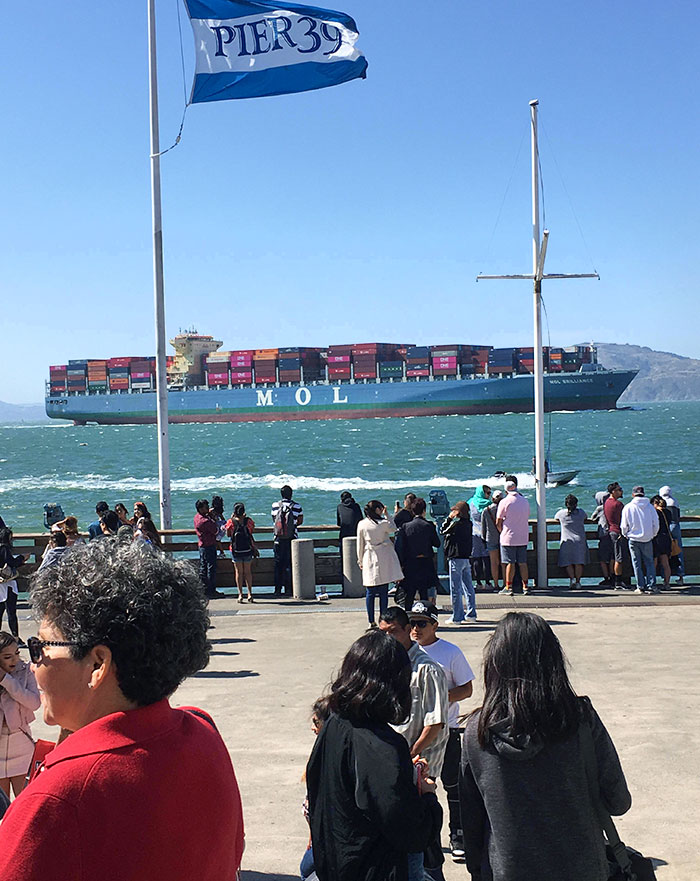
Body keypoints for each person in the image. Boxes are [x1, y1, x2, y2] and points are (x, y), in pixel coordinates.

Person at [0, 538, 244, 880]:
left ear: (97, 664)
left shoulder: (57, 799)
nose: (34, 664)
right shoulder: (204, 734)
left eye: (40, 646)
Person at [460, 612, 631, 881]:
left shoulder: (476, 732)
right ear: (553, 661)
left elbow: (471, 820)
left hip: (509, 871)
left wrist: (478, 870)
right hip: (583, 869)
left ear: (494, 665)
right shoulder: (580, 719)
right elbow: (618, 801)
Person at [305, 629, 442, 881]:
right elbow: (410, 831)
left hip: (333, 864)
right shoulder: (383, 745)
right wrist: (428, 797)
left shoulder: (335, 724)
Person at [380, 604, 449, 881]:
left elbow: (435, 723)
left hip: (419, 763)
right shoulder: (387, 664)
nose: (387, 638)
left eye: (393, 632)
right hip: (392, 760)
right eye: (382, 632)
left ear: (408, 631)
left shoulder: (427, 669)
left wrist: (411, 753)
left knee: (423, 834)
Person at [409, 605, 475, 862]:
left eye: (422, 623)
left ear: (435, 625)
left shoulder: (450, 652)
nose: (416, 629)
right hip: (415, 732)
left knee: (453, 784)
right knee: (419, 786)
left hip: (447, 728)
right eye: (413, 623)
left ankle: (457, 834)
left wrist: (437, 699)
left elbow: (466, 689)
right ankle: (426, 838)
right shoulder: (405, 654)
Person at [0, 631, 41, 799]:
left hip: (22, 746)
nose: (15, 660)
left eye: (17, 653)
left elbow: (34, 702)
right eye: (7, 657)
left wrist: (6, 680)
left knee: (24, 803)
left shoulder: (25, 671)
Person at [356, 500, 403, 627]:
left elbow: (360, 543)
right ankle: (383, 618)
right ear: (377, 510)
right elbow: (393, 528)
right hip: (383, 556)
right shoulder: (383, 523)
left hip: (369, 556)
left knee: (370, 591)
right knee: (383, 591)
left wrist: (360, 559)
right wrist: (388, 514)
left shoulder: (362, 524)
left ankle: (371, 620)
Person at [397, 498, 441, 610]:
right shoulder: (429, 525)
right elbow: (437, 543)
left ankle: (407, 618)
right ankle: (424, 615)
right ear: (424, 510)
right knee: (424, 592)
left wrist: (401, 564)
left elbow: (400, 548)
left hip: (410, 563)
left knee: (410, 593)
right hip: (425, 562)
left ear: (412, 511)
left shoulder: (406, 526)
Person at [441, 501, 476, 624]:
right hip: (466, 557)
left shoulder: (456, 525)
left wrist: (449, 518)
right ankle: (471, 613)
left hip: (456, 558)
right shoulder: (469, 524)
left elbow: (442, 530)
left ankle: (457, 616)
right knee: (468, 587)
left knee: (455, 589)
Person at [496, 476, 531, 596]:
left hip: (508, 537)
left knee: (510, 562)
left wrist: (502, 531)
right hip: (523, 536)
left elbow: (498, 521)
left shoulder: (504, 502)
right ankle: (525, 586)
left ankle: (508, 586)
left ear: (506, 490)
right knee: (522, 562)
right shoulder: (524, 501)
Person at [621, 486, 659, 595]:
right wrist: (652, 534)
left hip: (633, 538)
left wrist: (626, 534)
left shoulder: (628, 507)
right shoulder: (650, 507)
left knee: (636, 563)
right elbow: (656, 523)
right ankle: (651, 585)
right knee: (649, 562)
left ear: (633, 494)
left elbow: (624, 525)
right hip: (647, 538)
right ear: (643, 494)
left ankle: (640, 586)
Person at [271, 485, 303, 597]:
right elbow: (300, 521)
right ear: (291, 494)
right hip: (292, 538)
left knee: (278, 564)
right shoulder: (297, 506)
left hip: (278, 539)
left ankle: (277, 590)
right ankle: (289, 589)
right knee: (290, 564)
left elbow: (274, 520)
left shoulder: (275, 506)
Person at [554, 494, 590, 589]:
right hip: (580, 540)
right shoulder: (581, 513)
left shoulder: (561, 514)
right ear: (576, 504)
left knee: (568, 562)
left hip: (567, 540)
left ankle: (572, 580)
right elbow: (586, 517)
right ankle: (578, 582)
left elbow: (555, 518)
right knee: (579, 562)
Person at [225, 502, 258, 604]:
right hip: (247, 549)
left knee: (239, 572)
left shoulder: (231, 522)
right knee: (248, 572)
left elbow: (228, 534)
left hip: (236, 550)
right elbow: (251, 530)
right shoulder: (248, 521)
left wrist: (232, 519)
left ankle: (240, 594)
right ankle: (250, 594)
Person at [0, 529, 25, 645]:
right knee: (11, 611)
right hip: (8, 583)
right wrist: (22, 558)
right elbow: (12, 562)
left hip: (0, 583)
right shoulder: (4, 548)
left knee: (0, 611)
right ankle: (15, 637)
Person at [194, 499, 223, 600]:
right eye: (206, 507)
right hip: (209, 545)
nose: (208, 509)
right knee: (211, 568)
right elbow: (216, 530)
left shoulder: (197, 517)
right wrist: (213, 518)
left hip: (202, 546)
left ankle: (204, 590)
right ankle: (211, 590)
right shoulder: (205, 521)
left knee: (204, 568)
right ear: (201, 508)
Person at [603, 483, 630, 590]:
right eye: (619, 489)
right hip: (618, 532)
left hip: (611, 531)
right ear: (613, 491)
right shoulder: (618, 504)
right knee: (619, 558)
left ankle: (613, 579)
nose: (621, 491)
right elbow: (623, 520)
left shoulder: (607, 503)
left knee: (613, 557)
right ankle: (618, 582)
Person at [467, 486, 492, 588]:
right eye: (488, 493)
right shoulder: (488, 504)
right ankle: (488, 582)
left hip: (474, 533)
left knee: (476, 558)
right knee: (486, 559)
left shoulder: (470, 502)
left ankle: (478, 583)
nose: (489, 495)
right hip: (486, 533)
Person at [659, 485, 684, 585]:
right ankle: (681, 575)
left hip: (666, 528)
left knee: (664, 552)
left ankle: (664, 576)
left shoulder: (661, 502)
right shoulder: (674, 501)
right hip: (676, 526)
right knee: (678, 550)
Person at [481, 490, 504, 591]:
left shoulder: (486, 510)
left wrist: (484, 539)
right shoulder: (504, 509)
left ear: (493, 499)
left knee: (494, 563)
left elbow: (483, 527)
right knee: (504, 562)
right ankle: (506, 583)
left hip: (490, 538)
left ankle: (495, 584)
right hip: (504, 537)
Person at [590, 491, 613, 587]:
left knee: (603, 559)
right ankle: (614, 577)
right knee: (613, 557)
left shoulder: (600, 508)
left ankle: (606, 578)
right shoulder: (612, 506)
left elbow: (592, 518)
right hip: (614, 534)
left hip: (604, 535)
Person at [650, 495, 672, 589]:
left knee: (654, 562)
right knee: (665, 563)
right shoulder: (668, 512)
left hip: (657, 538)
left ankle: (652, 583)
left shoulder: (656, 512)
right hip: (666, 538)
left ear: (655, 503)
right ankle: (667, 583)